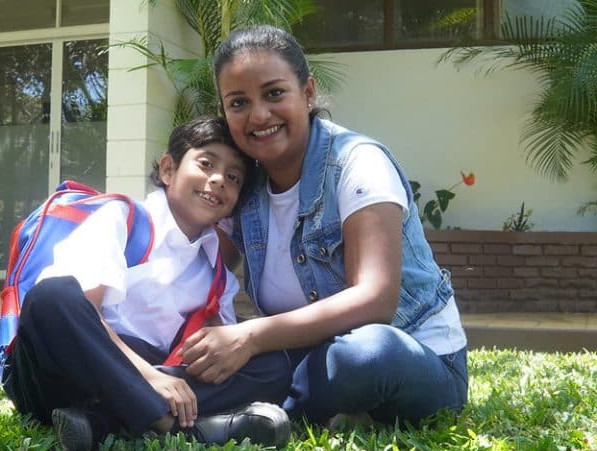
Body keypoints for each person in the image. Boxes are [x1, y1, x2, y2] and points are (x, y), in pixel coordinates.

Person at [178, 25, 468, 427]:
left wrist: (251, 337)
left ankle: (257, 418)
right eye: (238, 102)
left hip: (413, 358)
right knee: (216, 351)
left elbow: (375, 300)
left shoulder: (357, 163)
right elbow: (199, 269)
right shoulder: (242, 183)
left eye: (274, 93)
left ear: (308, 93)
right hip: (302, 356)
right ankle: (131, 406)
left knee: (364, 356)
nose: (259, 115)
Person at [2, 116, 292, 451]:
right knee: (53, 296)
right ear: (168, 169)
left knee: (273, 365)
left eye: (233, 177)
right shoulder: (122, 218)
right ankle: (175, 427)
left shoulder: (217, 274)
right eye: (206, 164)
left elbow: (206, 357)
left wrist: (217, 346)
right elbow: (79, 311)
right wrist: (147, 379)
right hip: (62, 369)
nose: (218, 180)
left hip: (144, 370)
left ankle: (98, 422)